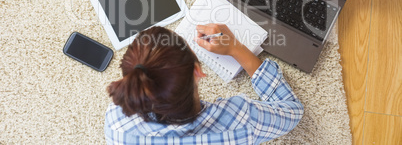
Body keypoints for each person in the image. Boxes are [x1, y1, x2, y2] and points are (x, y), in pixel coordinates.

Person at [105, 24, 304, 144]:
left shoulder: (116, 123)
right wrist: (236, 48)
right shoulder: (240, 122)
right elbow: (292, 110)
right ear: (197, 72)